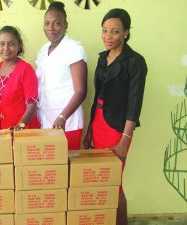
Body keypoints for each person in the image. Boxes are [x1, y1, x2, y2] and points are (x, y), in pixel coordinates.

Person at [84, 8, 148, 225]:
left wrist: (124, 141)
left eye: (115, 31)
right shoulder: (103, 59)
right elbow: (96, 97)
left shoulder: (135, 62)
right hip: (99, 123)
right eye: (104, 30)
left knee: (114, 182)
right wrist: (89, 130)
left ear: (126, 33)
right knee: (101, 180)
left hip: (117, 128)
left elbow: (134, 104)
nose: (108, 36)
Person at [36, 1, 88, 150]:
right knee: (50, 169)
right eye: (47, 23)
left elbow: (81, 91)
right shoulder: (43, 50)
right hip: (45, 121)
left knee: (66, 167)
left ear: (66, 25)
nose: (50, 28)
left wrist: (62, 117)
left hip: (67, 123)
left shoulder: (74, 49)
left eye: (56, 23)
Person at [0, 25, 40, 130]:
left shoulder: (26, 69)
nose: (6, 48)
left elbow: (32, 107)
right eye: (2, 44)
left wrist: (20, 127)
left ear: (19, 46)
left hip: (21, 129)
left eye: (11, 44)